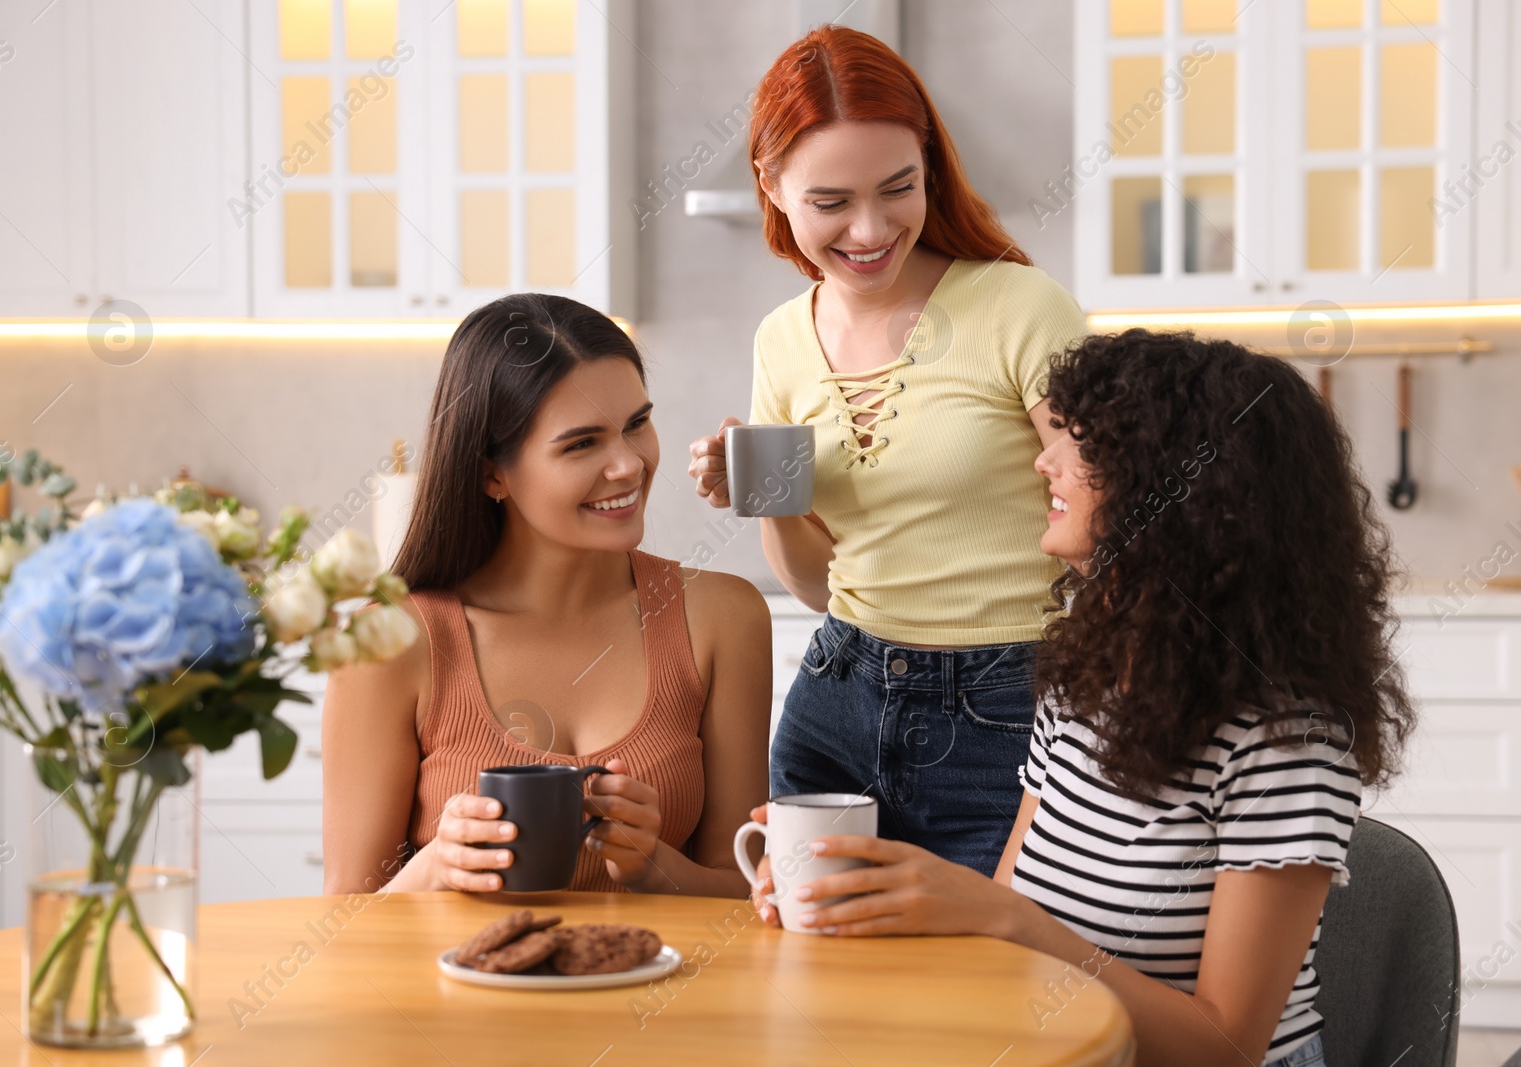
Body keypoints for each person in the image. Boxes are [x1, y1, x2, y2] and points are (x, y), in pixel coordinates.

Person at [753, 330, 1416, 1065]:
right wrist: (876, 898)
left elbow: (1224, 1044)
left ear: (1186, 490)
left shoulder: (1288, 739)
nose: (1045, 460)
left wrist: (1003, 919)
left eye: (1086, 446)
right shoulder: (1085, 674)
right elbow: (1012, 922)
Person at [687, 25, 1088, 875]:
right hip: (837, 697)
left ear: (930, 170)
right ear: (771, 184)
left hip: (1009, 711)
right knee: (814, 976)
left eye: (897, 188)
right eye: (830, 202)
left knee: (988, 983)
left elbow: (1108, 519)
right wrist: (766, 489)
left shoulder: (1021, 308)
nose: (869, 230)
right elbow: (810, 581)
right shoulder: (781, 341)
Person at [322, 293, 771, 897]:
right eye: (582, 444)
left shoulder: (723, 618)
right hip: (454, 992)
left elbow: (744, 893)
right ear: (492, 473)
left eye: (636, 424)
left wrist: (652, 866)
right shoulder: (386, 644)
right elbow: (343, 923)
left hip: (663, 990)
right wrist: (435, 870)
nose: (628, 465)